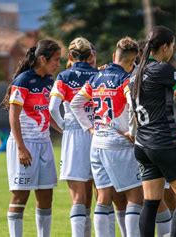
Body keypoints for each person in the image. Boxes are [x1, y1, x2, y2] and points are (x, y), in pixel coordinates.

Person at [131, 26, 176, 237]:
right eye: (171, 47)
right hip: (164, 142)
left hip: (142, 144)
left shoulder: (136, 73)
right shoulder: (161, 69)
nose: (172, 51)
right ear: (164, 47)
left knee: (151, 202)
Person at [70, 37, 143, 237]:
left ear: (114, 56)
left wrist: (90, 128)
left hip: (97, 142)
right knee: (135, 197)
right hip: (118, 144)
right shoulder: (126, 80)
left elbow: (75, 103)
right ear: (132, 62)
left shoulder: (96, 78)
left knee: (103, 197)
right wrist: (133, 133)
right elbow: (134, 107)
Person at [1, 39, 62, 237]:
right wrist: (20, 147)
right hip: (24, 143)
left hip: (44, 144)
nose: (57, 64)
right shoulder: (23, 81)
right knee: (20, 195)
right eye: (55, 59)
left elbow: (47, 113)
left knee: (46, 196)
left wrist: (63, 129)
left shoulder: (49, 81)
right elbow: (13, 116)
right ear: (42, 59)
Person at [49, 37, 98, 237]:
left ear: (70, 56)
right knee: (100, 195)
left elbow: (52, 108)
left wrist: (64, 127)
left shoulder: (63, 76)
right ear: (91, 55)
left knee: (78, 197)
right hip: (97, 133)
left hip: (74, 135)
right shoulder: (99, 75)